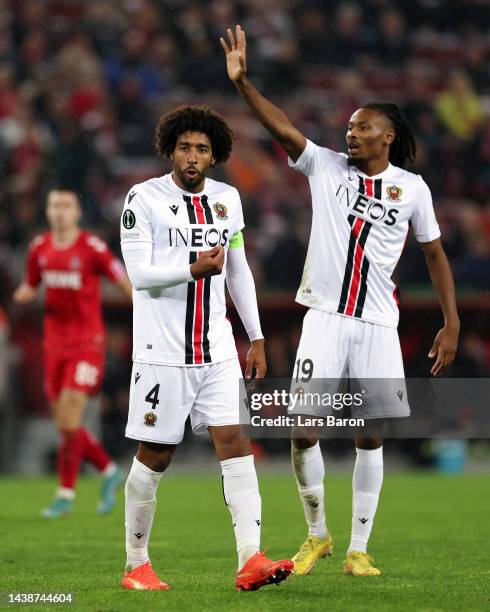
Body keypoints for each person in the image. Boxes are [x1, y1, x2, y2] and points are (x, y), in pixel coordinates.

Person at [221, 26, 459, 577]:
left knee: (368, 432)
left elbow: (436, 255)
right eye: (349, 126)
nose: (350, 133)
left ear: (388, 135)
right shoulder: (325, 166)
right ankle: (317, 536)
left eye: (362, 126)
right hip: (325, 319)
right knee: (304, 428)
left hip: (378, 323)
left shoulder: (412, 189)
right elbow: (281, 129)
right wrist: (243, 83)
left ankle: (358, 548)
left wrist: (451, 322)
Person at [119, 105, 293, 591]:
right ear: (170, 150)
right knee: (156, 454)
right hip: (163, 351)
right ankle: (136, 565)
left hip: (215, 348)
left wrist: (255, 335)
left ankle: (251, 558)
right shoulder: (144, 198)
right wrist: (192, 268)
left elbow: (237, 270)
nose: (192, 156)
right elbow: (139, 275)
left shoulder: (228, 200)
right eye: (184, 148)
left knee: (236, 444)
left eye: (201, 149)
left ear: (215, 155)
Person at [13, 189, 133, 518]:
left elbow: (120, 277)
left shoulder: (91, 248)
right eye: (55, 206)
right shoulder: (39, 249)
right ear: (49, 211)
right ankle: (109, 471)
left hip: (87, 345)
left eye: (67, 206)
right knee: (65, 424)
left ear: (77, 212)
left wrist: (141, 307)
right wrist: (23, 293)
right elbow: (31, 283)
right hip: (54, 346)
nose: (60, 211)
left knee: (68, 420)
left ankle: (65, 494)